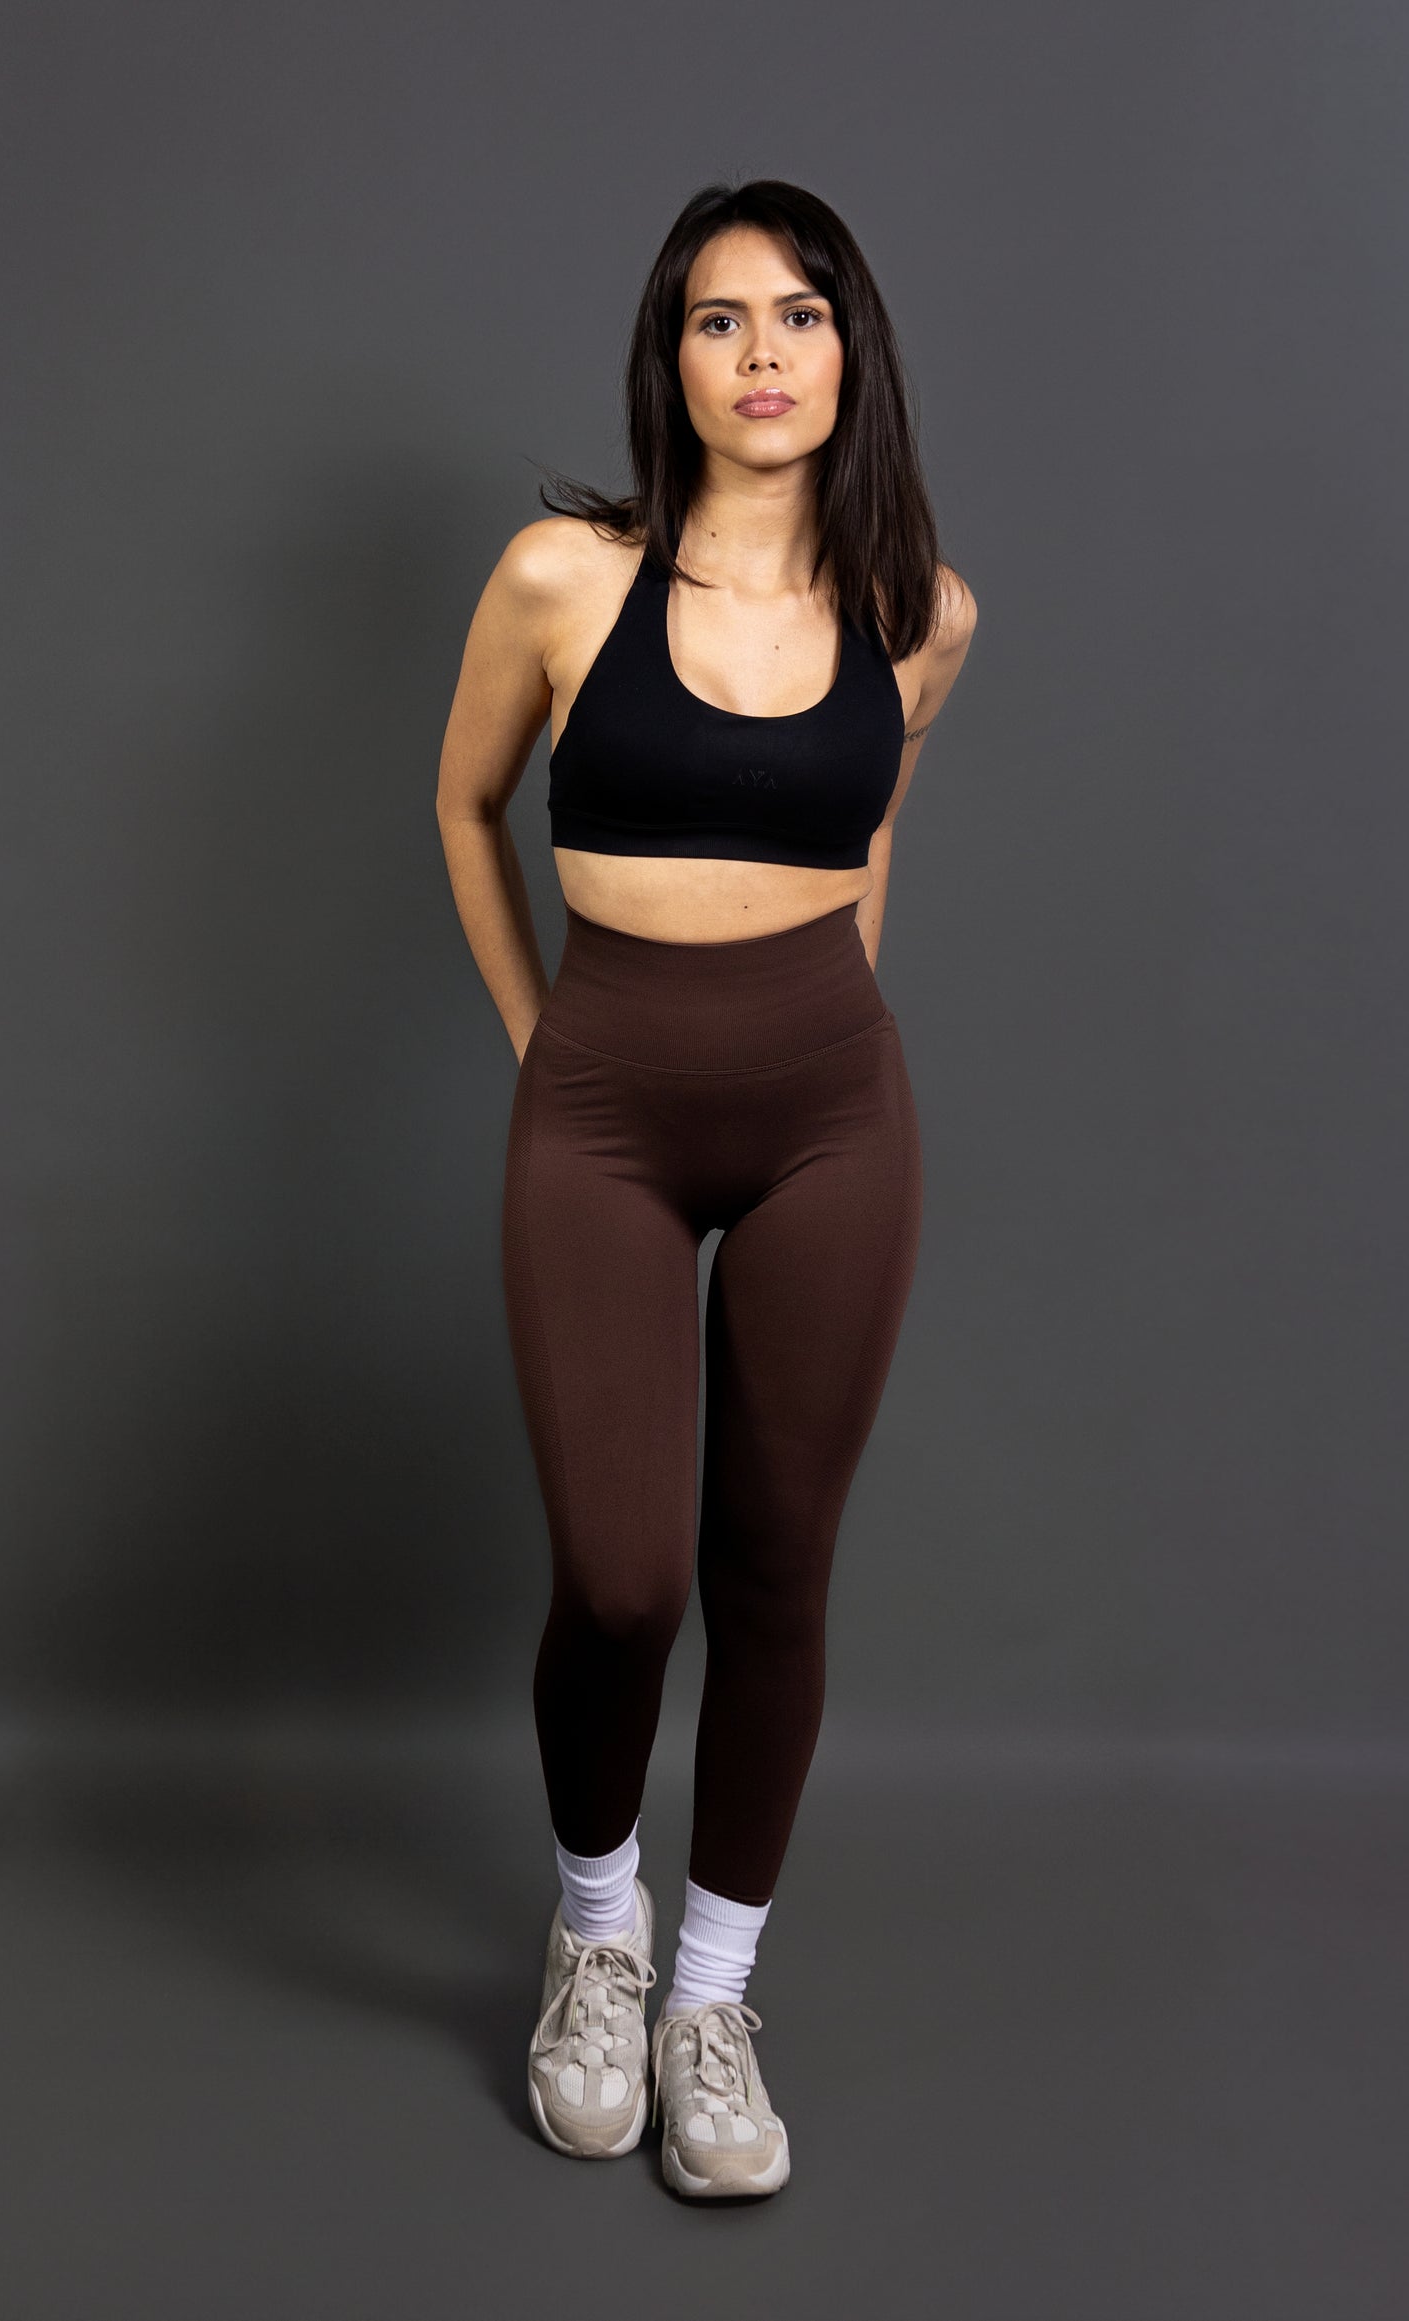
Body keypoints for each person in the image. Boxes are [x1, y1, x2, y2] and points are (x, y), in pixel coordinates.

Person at [435, 178, 975, 2198]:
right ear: (667, 361)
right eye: (717, 317)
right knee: (621, 1574)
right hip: (603, 1108)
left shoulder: (922, 609)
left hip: (834, 1112)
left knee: (770, 1568)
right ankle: (597, 1925)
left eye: (801, 311)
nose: (761, 348)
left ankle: (709, 1993)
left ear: (852, 354)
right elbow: (461, 798)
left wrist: (825, 1035)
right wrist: (540, 1037)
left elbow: (865, 847)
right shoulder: (563, 578)